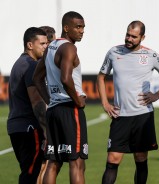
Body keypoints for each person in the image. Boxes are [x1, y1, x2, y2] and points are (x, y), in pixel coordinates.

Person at [97, 20, 159, 184]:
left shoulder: (151, 55)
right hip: (120, 115)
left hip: (142, 116)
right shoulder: (114, 52)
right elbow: (101, 76)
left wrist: (157, 95)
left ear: (142, 37)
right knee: (113, 159)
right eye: (127, 34)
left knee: (140, 159)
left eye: (134, 36)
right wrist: (105, 103)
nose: (129, 39)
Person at [33, 11, 87, 184]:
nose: (82, 31)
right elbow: (66, 79)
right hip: (70, 109)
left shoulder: (51, 47)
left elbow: (37, 78)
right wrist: (78, 100)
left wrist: (50, 101)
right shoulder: (69, 47)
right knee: (77, 162)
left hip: (54, 111)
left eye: (83, 27)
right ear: (66, 27)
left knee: (53, 161)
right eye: (78, 27)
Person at [7, 27, 48, 184]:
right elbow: (36, 102)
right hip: (29, 127)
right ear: (30, 45)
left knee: (30, 171)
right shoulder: (31, 66)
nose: (46, 47)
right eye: (42, 43)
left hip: (16, 127)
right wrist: (47, 131)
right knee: (30, 174)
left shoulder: (19, 63)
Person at [36, 25, 56, 184]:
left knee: (44, 163)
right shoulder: (44, 62)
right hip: (45, 115)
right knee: (47, 163)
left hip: (42, 114)